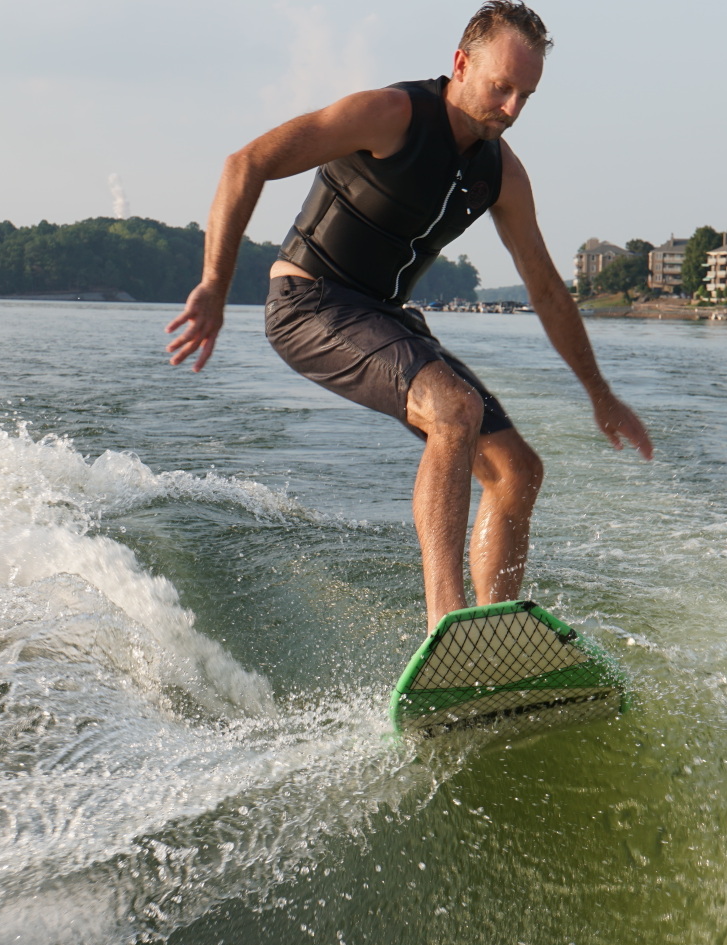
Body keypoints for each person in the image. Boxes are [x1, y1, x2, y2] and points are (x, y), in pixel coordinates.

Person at [166, 1, 653, 630]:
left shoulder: (500, 172)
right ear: (461, 63)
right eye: (500, 87)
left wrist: (600, 393)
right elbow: (246, 163)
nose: (511, 109)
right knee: (454, 409)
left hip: (386, 317)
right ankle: (445, 626)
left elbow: (548, 291)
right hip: (310, 301)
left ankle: (494, 635)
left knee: (517, 472)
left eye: (525, 96)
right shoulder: (391, 114)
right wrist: (213, 282)